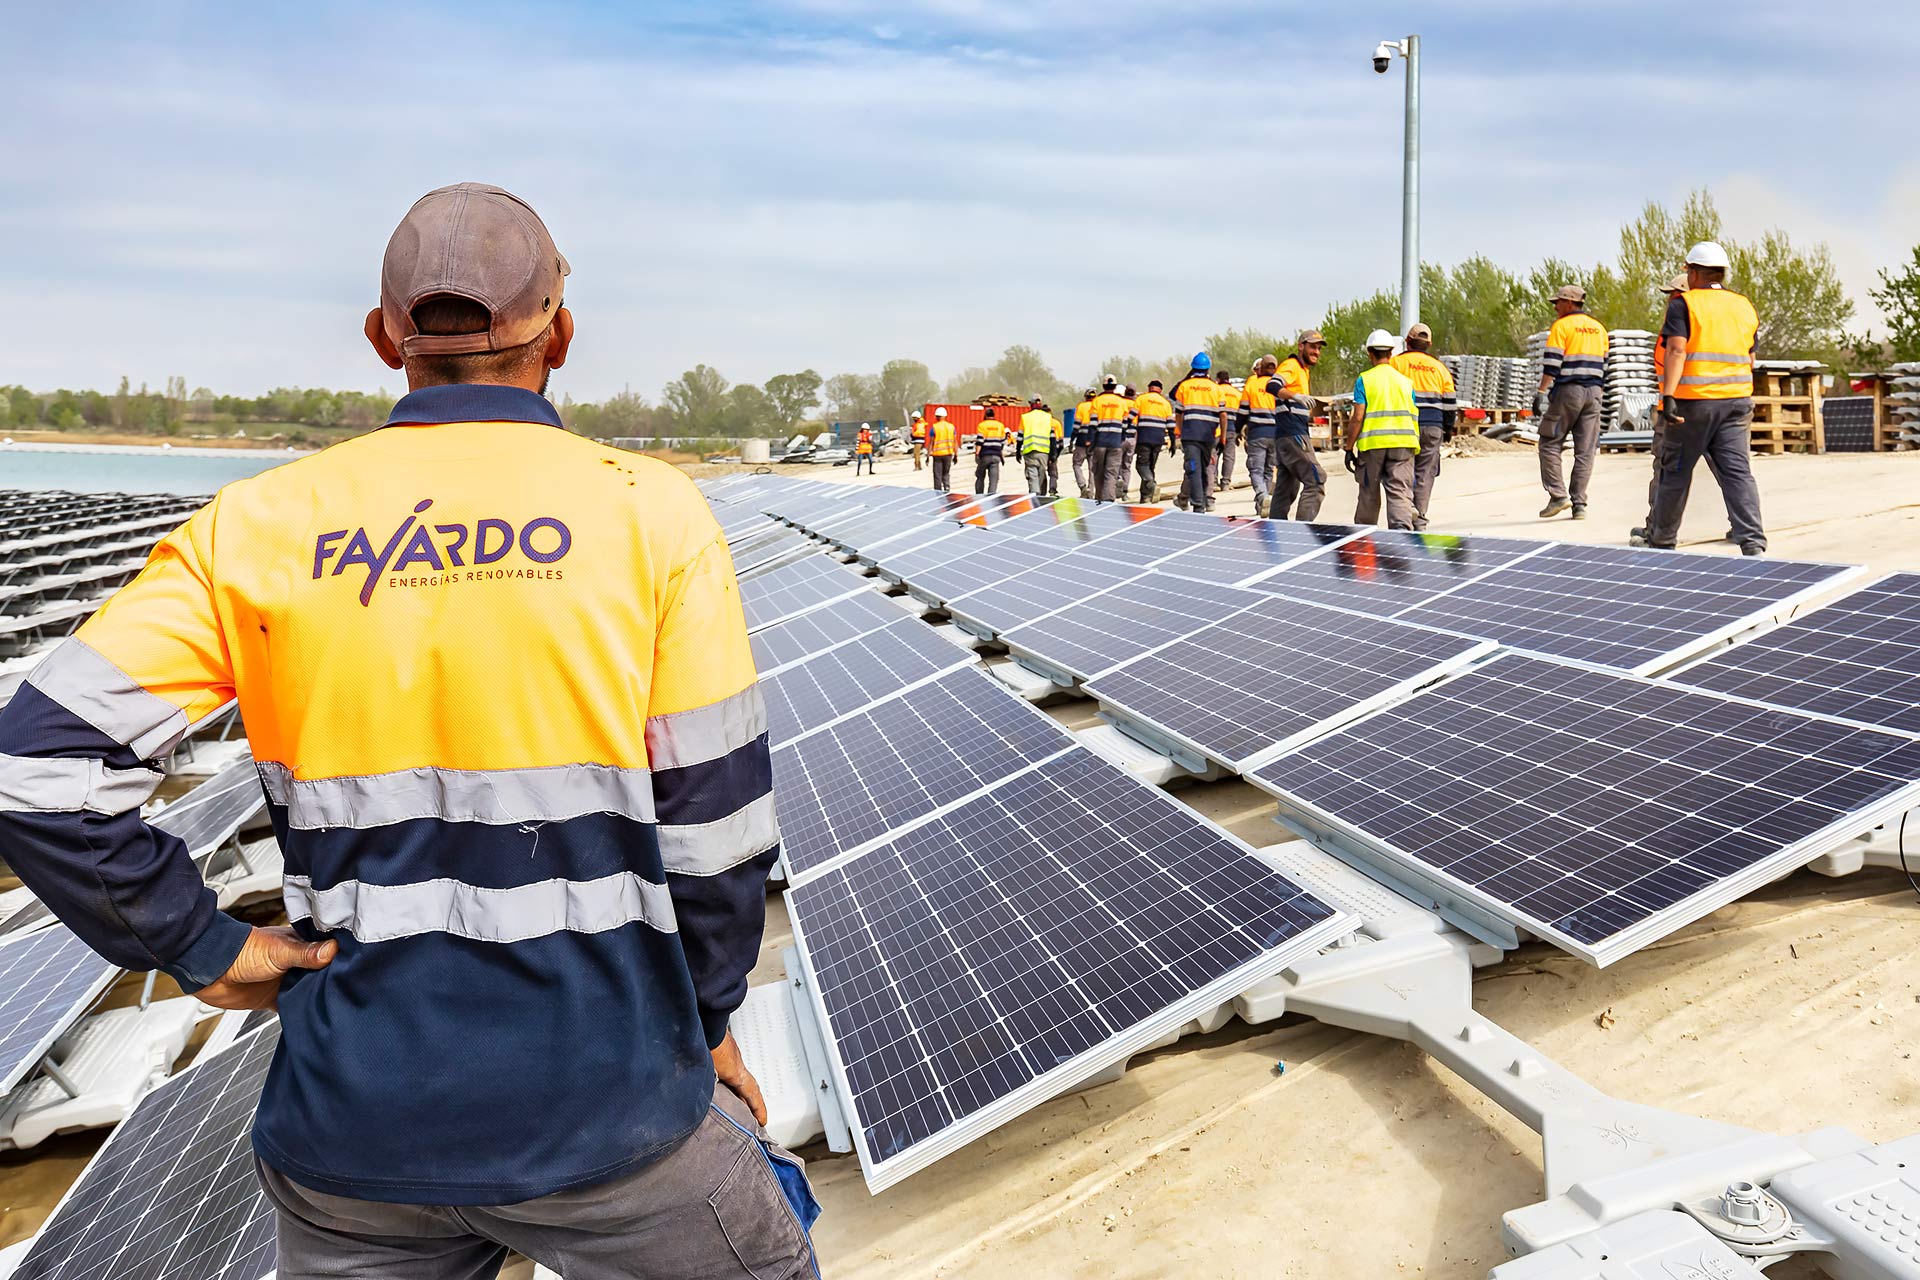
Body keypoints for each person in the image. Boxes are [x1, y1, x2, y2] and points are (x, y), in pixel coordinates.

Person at [0, 183, 818, 1280]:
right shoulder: (648, 510)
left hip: (355, 1135)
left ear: (385, 339)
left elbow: (36, 765)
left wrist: (194, 942)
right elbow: (715, 831)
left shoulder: (259, 523)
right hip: (611, 1108)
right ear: (561, 333)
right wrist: (708, 1020)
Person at [1646, 241, 1767, 555]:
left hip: (1693, 403)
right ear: (1723, 272)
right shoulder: (1744, 305)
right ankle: (1752, 542)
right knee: (1737, 473)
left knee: (1675, 472)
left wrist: (1669, 395)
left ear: (1693, 272)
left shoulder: (1684, 304)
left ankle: (1661, 541)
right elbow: (1750, 356)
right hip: (1737, 403)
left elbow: (1676, 349)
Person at [1632, 274, 1728, 546]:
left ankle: (1656, 530)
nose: (1669, 300)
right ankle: (1741, 527)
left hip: (1677, 410)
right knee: (1728, 470)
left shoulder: (1678, 332)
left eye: (1673, 295)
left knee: (1666, 473)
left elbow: (1672, 363)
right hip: (1711, 406)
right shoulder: (1707, 332)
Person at [1534, 284, 1609, 520]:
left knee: (1549, 441)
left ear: (1569, 303)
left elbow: (1552, 364)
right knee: (1586, 450)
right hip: (1594, 393)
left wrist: (1541, 391)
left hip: (1569, 392)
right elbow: (1605, 365)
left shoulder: (1562, 326)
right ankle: (1580, 504)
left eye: (1557, 302)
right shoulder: (1599, 329)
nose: (1555, 307)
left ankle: (1558, 496)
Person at [1347, 329, 1421, 529]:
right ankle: (1401, 535)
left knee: (1369, 492)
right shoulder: (1406, 382)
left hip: (1373, 446)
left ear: (1370, 353)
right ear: (1391, 353)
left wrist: (1348, 447)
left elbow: (1358, 417)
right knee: (1399, 493)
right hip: (1404, 445)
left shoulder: (1364, 379)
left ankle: (1363, 536)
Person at [1389, 324, 1458, 530]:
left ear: (1408, 342)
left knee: (1403, 470)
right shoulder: (1440, 368)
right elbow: (1450, 403)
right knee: (1425, 473)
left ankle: (1405, 509)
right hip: (1433, 426)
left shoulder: (1396, 363)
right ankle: (1420, 519)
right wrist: (1448, 428)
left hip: (1405, 426)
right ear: (1429, 344)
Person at [1270, 331, 1328, 520]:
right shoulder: (1292, 366)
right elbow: (1272, 385)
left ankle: (1275, 530)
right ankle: (1303, 532)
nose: (1317, 352)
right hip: (1293, 433)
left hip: (1287, 435)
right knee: (1316, 479)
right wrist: (1295, 396)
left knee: (1286, 487)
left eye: (1319, 348)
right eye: (1313, 346)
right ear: (1301, 346)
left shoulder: (1304, 371)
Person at [1171, 354, 1224, 513]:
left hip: (1190, 437)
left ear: (1192, 368)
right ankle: (1200, 503)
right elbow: (1223, 415)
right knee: (1203, 469)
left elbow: (1179, 413)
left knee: (1194, 469)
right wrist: (1222, 438)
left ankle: (1198, 504)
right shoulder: (1216, 388)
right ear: (1208, 368)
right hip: (1208, 437)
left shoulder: (1185, 386)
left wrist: (1179, 432)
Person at [1241, 355, 1282, 517]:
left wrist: (1238, 429)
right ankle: (1263, 505)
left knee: (1255, 469)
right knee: (1268, 470)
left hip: (1257, 434)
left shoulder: (1251, 384)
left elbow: (1243, 411)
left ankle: (1262, 495)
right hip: (1276, 434)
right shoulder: (1280, 386)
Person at [1087, 375, 1131, 501]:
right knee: (1111, 473)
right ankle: (1108, 500)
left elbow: (1093, 424)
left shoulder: (1097, 401)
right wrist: (1121, 438)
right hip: (1115, 443)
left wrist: (1090, 442)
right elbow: (1125, 424)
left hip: (1100, 442)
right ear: (1115, 386)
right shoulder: (1121, 402)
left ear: (1103, 386)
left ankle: (1099, 498)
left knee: (1098, 472)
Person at [1131, 380, 1174, 502]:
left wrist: (1124, 429)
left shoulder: (1141, 399)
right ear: (1160, 390)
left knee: (1141, 465)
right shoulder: (1165, 404)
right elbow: (1171, 425)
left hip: (1144, 438)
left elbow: (1131, 417)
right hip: (1158, 439)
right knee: (1150, 466)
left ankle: (1152, 484)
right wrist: (1172, 442)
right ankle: (1146, 497)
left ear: (1149, 387)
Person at [1212, 369, 1243, 493]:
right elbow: (1242, 414)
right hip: (1232, 429)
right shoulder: (1237, 394)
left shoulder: (1215, 391)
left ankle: (1213, 482)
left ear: (1218, 380)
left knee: (1213, 456)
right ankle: (1225, 483)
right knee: (1229, 457)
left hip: (1216, 429)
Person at [1019, 396, 1054, 494]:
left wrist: (1018, 451)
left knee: (1032, 475)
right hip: (1044, 452)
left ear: (1031, 404)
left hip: (1030, 451)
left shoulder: (1025, 417)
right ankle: (1038, 495)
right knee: (1041, 475)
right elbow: (1052, 437)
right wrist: (1053, 454)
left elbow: (1020, 437)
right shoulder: (1048, 417)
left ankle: (1035, 495)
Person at [974, 407, 1007, 494]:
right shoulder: (1000, 426)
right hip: (996, 455)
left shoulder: (982, 425)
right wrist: (1001, 456)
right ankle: (991, 497)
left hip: (985, 455)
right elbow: (1002, 442)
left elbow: (980, 441)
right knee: (993, 480)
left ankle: (979, 495)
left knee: (980, 476)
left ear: (985, 415)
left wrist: (977, 454)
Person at [1071, 389, 1098, 497]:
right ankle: (1091, 492)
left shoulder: (1081, 406)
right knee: (1092, 468)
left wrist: (1072, 439)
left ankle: (1082, 486)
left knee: (1077, 464)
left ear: (1085, 396)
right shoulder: (1098, 406)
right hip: (1094, 441)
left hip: (1081, 440)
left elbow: (1077, 425)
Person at [927, 405, 957, 491]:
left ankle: (938, 493)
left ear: (936, 416)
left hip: (937, 455)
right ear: (945, 416)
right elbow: (955, 442)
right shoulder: (951, 427)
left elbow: (931, 443)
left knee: (937, 475)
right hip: (948, 454)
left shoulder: (934, 427)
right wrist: (956, 455)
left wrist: (928, 456)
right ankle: (947, 489)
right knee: (946, 473)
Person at [1118, 385, 1139, 500]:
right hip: (1132, 438)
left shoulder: (1120, 402)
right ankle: (1125, 493)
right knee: (1127, 465)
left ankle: (1118, 481)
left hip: (1120, 437)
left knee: (1117, 463)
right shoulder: (1136, 405)